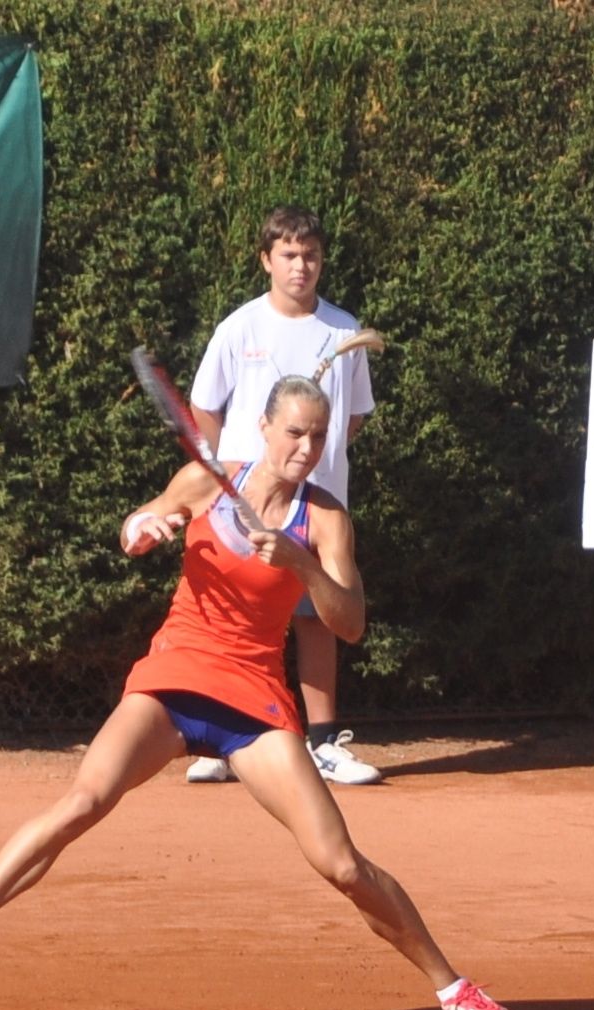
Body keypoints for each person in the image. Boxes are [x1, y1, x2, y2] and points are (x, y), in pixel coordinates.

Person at [0, 375, 519, 1010]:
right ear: (266, 428)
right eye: (294, 432)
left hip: (253, 699)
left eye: (317, 435)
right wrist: (143, 530)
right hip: (174, 678)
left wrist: (305, 567)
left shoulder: (327, 518)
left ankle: (454, 991)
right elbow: (142, 520)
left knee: (340, 863)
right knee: (83, 801)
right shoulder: (205, 479)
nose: (306, 447)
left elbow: (352, 624)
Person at [183, 205, 382, 786]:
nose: (301, 266)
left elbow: (355, 416)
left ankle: (323, 744)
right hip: (244, 504)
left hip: (316, 504)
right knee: (235, 614)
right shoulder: (239, 327)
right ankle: (217, 741)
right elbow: (203, 403)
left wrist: (313, 464)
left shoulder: (344, 330)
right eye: (289, 255)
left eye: (311, 255)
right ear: (267, 260)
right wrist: (235, 474)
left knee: (320, 615)